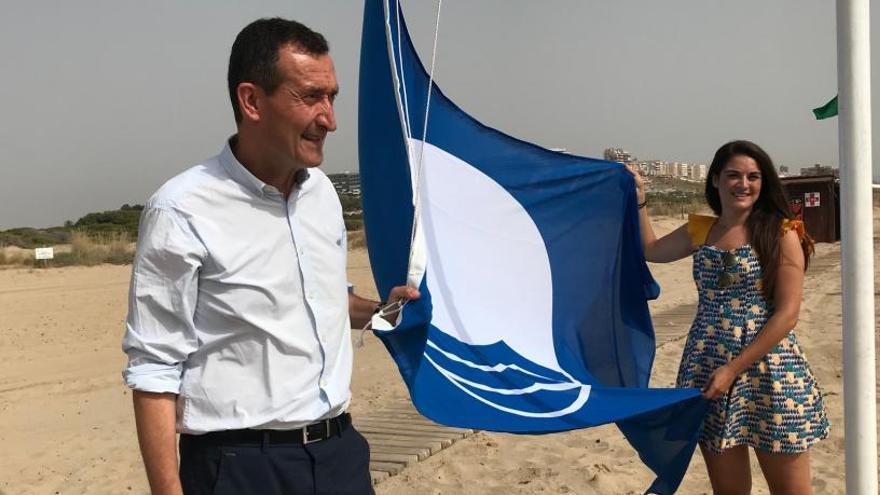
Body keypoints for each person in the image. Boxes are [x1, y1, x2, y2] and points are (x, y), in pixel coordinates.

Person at [122, 18, 418, 495]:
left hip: (340, 455)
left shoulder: (322, 194)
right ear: (252, 101)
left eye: (333, 97)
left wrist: (383, 309)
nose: (330, 119)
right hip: (240, 468)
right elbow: (154, 367)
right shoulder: (181, 209)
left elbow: (323, 301)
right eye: (311, 97)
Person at [627, 140, 829, 494]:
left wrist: (733, 369)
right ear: (716, 180)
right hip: (706, 367)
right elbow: (651, 250)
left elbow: (787, 314)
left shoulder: (780, 232)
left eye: (753, 176)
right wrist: (639, 196)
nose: (744, 184)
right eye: (734, 175)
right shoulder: (701, 228)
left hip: (772, 373)